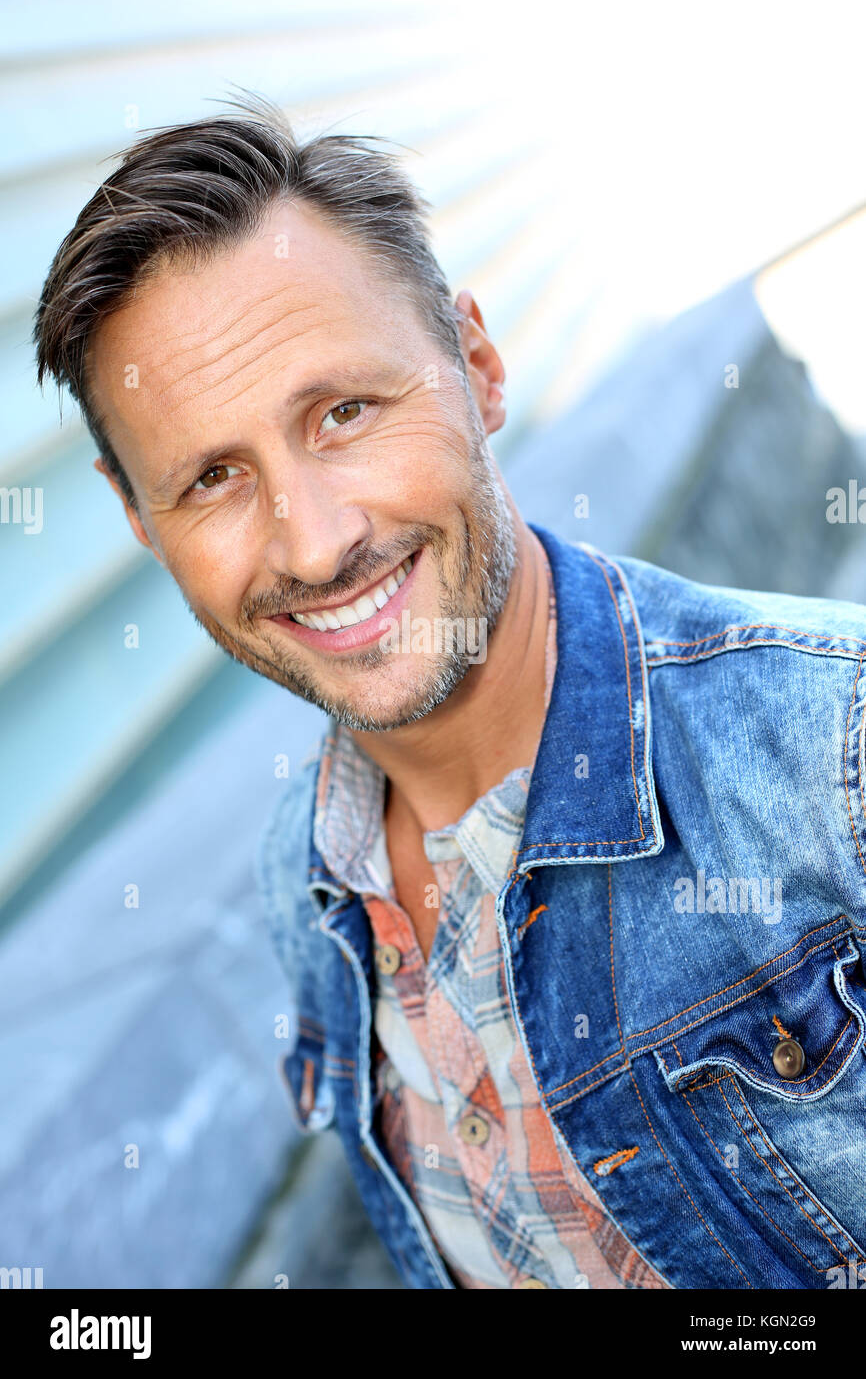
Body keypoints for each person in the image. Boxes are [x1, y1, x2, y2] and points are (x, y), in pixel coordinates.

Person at [34, 92, 866, 1291]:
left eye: (345, 412)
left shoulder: (830, 753)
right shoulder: (308, 877)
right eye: (213, 476)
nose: (313, 545)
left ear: (476, 367)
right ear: (142, 523)